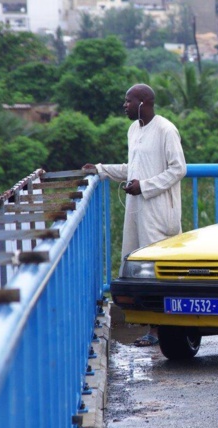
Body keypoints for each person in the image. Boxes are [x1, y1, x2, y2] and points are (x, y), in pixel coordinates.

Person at [83, 83, 186, 347]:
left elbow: (179, 169)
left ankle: (160, 330)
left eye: (128, 101)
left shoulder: (165, 129)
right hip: (138, 210)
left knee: (157, 270)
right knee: (139, 268)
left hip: (160, 211)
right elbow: (134, 167)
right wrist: (100, 169)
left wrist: (146, 186)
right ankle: (150, 325)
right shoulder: (133, 130)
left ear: (143, 102)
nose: (124, 106)